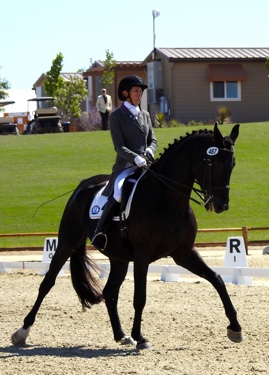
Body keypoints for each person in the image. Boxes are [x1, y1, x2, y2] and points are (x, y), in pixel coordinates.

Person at [92, 75, 157, 251]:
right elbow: (119, 146)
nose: (139, 94)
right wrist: (136, 158)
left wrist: (150, 151)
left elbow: (153, 140)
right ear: (126, 93)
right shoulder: (116, 117)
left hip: (146, 164)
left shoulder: (145, 115)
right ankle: (100, 231)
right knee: (120, 192)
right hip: (126, 167)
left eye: (141, 91)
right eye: (136, 91)